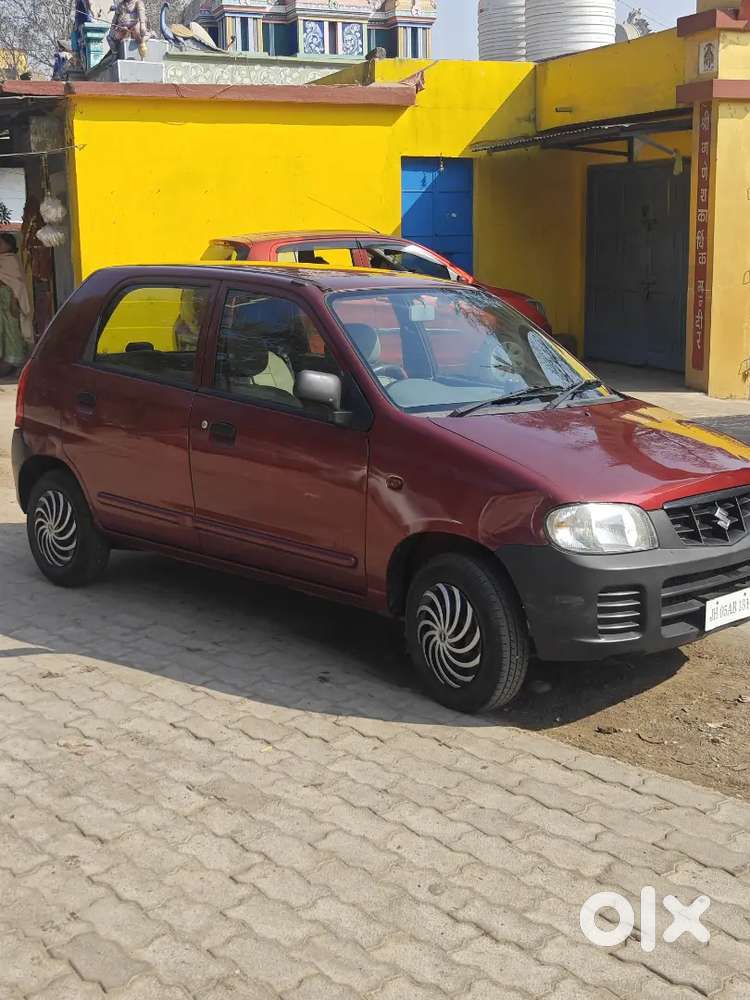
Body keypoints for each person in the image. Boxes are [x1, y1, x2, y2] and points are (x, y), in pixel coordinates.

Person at [0, 234, 34, 376]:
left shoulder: (11, 260)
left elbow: (16, 284)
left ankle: (15, 360)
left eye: (1, 243)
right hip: (2, 302)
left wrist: (14, 301)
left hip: (9, 302)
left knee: (12, 331)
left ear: (9, 245)